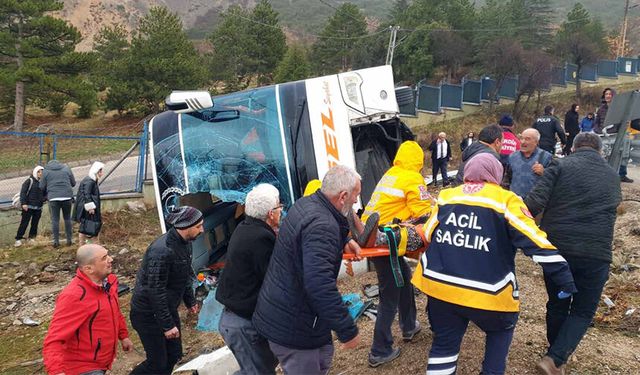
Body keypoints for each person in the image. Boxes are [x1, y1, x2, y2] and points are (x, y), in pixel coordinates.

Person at [411, 153, 576, 375]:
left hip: (441, 288)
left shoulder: (446, 197)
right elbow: (534, 241)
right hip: (490, 292)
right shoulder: (506, 200)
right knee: (498, 337)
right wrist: (564, 277)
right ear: (496, 175)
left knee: (444, 347)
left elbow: (427, 234)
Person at [525, 133, 621, 375]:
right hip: (596, 253)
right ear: (600, 151)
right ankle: (556, 358)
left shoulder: (560, 164)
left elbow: (533, 203)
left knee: (557, 303)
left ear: (574, 148)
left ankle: (554, 356)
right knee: (583, 310)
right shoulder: (612, 174)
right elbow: (615, 207)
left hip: (558, 251)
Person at [253, 165, 361, 375]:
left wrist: (344, 239)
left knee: (323, 357)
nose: (356, 201)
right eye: (355, 195)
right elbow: (319, 284)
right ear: (343, 196)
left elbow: (310, 238)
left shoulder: (306, 204)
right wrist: (347, 329)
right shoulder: (322, 225)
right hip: (294, 327)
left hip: (289, 312)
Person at [360, 140, 430, 367]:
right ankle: (379, 350)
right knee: (389, 293)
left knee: (404, 280)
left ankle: (409, 325)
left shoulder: (392, 173)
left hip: (377, 237)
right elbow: (424, 212)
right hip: (385, 241)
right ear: (419, 160)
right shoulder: (412, 177)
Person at [216, 184, 282, 375]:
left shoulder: (246, 228)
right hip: (242, 324)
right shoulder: (260, 238)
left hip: (238, 319)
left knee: (260, 367)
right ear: (271, 213)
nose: (281, 211)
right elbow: (274, 280)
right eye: (279, 207)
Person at [130, 206, 203, 375]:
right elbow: (155, 290)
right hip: (148, 314)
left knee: (174, 355)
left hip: (167, 309)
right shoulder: (161, 251)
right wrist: (167, 325)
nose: (202, 230)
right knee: (157, 363)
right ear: (185, 226)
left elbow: (184, 274)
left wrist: (190, 300)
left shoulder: (185, 243)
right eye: (198, 226)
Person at [43, 244, 133, 375]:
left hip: (102, 361)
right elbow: (54, 339)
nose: (111, 259)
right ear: (88, 268)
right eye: (104, 258)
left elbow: (114, 311)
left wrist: (123, 336)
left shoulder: (109, 282)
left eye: (108, 254)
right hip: (83, 367)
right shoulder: (74, 296)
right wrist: (56, 371)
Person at [595, 87, 634, 183]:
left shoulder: (619, 108)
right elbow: (596, 122)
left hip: (616, 135)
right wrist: (598, 130)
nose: (608, 96)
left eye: (610, 94)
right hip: (604, 136)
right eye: (606, 94)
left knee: (622, 154)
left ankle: (622, 174)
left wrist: (620, 131)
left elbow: (623, 121)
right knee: (604, 155)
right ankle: (604, 175)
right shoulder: (601, 109)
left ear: (613, 96)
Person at [506, 129, 553, 198]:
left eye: (527, 139)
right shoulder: (512, 156)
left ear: (536, 142)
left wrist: (544, 172)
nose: (523, 142)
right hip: (515, 201)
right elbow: (507, 179)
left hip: (536, 202)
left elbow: (555, 181)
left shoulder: (546, 157)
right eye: (521, 138)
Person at [40, 159, 76, 248]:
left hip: (53, 198)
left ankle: (56, 241)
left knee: (55, 220)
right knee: (67, 218)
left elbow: (41, 186)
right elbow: (73, 183)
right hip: (67, 196)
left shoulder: (46, 171)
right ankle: (69, 240)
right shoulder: (67, 168)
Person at [74, 162, 105, 245]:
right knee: (91, 225)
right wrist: (90, 207)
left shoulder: (91, 180)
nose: (102, 173)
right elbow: (86, 194)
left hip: (86, 207)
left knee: (86, 226)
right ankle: (94, 245)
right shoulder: (90, 181)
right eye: (100, 171)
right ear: (96, 171)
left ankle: (84, 245)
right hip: (88, 208)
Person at [14, 166, 45, 247]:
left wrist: (43, 199)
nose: (40, 173)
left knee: (35, 224)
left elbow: (45, 193)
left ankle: (32, 238)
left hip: (38, 207)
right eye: (39, 171)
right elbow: (23, 193)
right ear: (35, 172)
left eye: (42, 172)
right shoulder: (29, 181)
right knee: (24, 223)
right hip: (28, 207)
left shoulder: (43, 182)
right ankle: (18, 239)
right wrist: (24, 203)